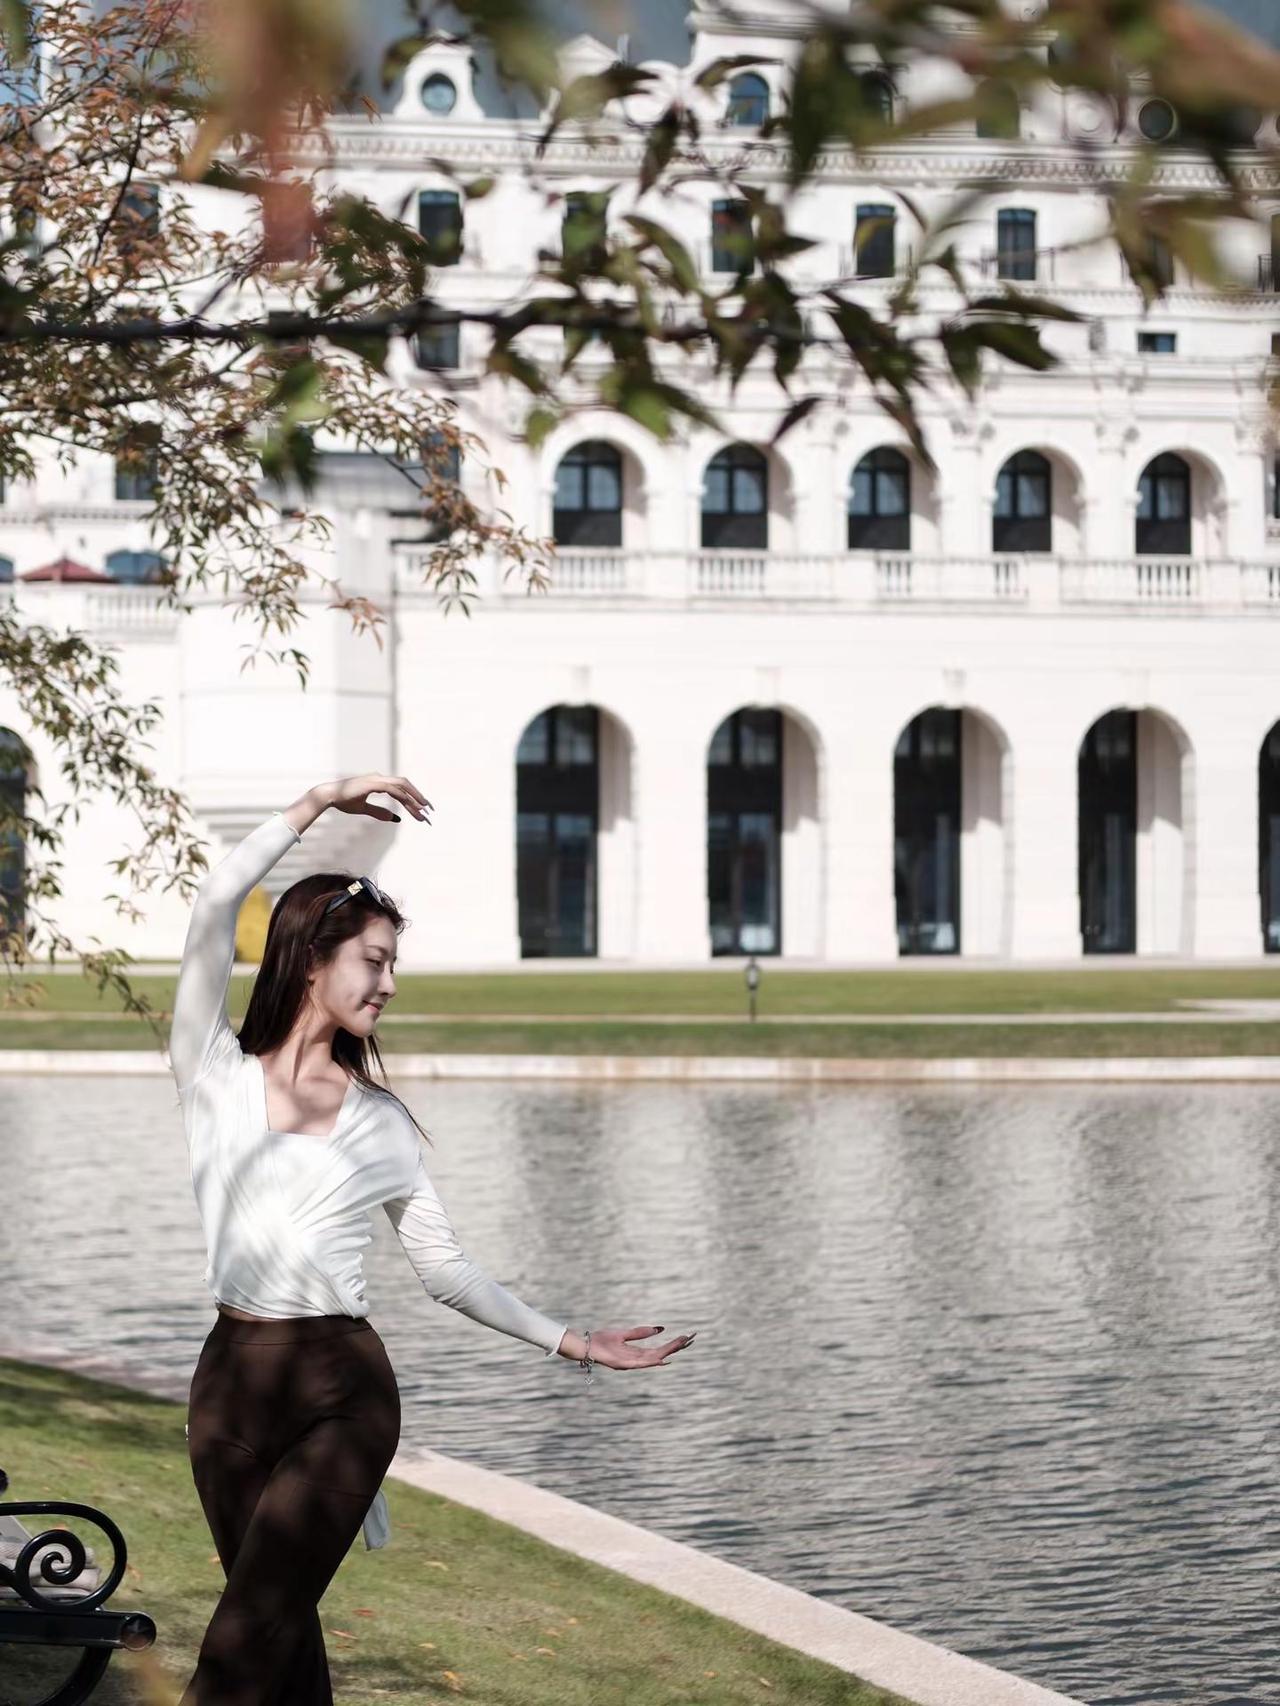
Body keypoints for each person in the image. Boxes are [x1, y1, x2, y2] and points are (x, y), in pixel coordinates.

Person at [168, 772, 697, 1706]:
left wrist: (574, 1342)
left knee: (247, 1633)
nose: (390, 983)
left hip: (342, 1391)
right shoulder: (212, 1072)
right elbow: (215, 904)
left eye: (393, 965)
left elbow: (444, 1271)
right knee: (275, 1631)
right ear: (311, 959)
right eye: (374, 960)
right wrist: (318, 803)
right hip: (230, 1386)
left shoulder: (383, 1121)